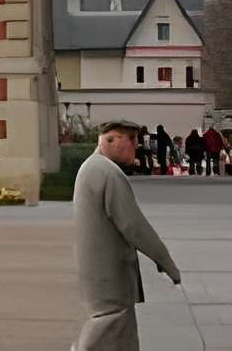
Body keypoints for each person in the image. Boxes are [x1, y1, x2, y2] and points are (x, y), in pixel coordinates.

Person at [73, 119, 182, 349]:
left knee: (120, 336)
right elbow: (134, 226)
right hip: (109, 275)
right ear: (112, 140)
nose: (136, 146)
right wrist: (166, 261)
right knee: (108, 325)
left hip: (101, 273)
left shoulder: (92, 168)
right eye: (131, 140)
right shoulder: (106, 172)